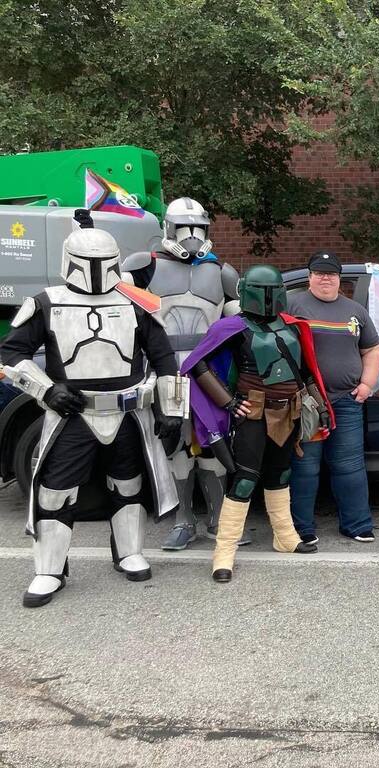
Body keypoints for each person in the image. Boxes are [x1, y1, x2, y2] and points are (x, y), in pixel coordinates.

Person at [0, 214, 186, 607]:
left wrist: (172, 409)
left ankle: (130, 552)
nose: (97, 272)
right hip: (72, 413)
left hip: (128, 412)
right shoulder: (47, 302)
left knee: (129, 484)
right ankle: (49, 570)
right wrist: (46, 389)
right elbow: (10, 354)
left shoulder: (136, 303)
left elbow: (164, 357)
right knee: (55, 491)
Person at [181, 265, 334, 583]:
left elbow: (304, 372)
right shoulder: (233, 328)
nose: (269, 297)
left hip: (289, 412)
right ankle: (224, 553)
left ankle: (285, 537)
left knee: (281, 475)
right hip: (253, 416)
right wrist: (229, 402)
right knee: (245, 480)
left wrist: (319, 406)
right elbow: (198, 365)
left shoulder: (292, 326)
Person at [123, 196, 244, 550]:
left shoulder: (221, 272)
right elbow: (114, 305)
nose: (191, 236)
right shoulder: (145, 265)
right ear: (168, 228)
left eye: (199, 229)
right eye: (184, 228)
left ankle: (219, 519)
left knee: (213, 442)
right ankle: (183, 519)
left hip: (209, 373)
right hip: (166, 371)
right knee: (175, 445)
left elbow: (238, 325)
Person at [288, 252, 379, 544]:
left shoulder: (355, 311)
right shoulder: (292, 305)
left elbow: (373, 350)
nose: (325, 278)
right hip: (307, 402)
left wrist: (366, 384)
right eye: (319, 272)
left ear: (340, 278)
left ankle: (357, 524)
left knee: (349, 465)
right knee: (305, 467)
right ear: (309, 276)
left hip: (346, 401)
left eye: (330, 273)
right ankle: (301, 528)